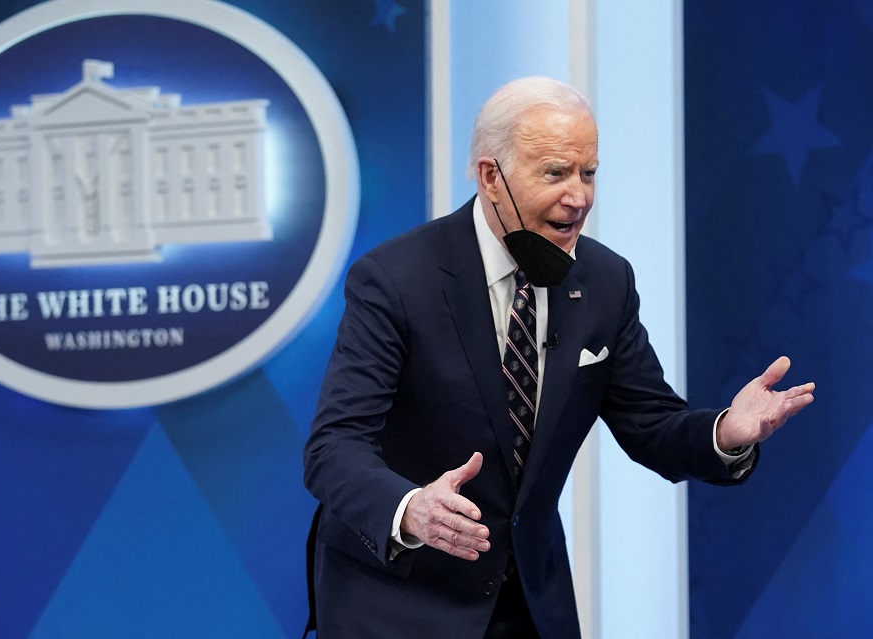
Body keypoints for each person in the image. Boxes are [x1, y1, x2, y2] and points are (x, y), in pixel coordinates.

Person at [302, 76, 814, 638]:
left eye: (588, 172)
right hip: (397, 603)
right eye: (555, 173)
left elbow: (650, 426)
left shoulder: (604, 280)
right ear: (490, 177)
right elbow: (335, 446)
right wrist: (410, 509)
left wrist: (725, 433)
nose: (579, 196)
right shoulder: (396, 279)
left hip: (530, 606)